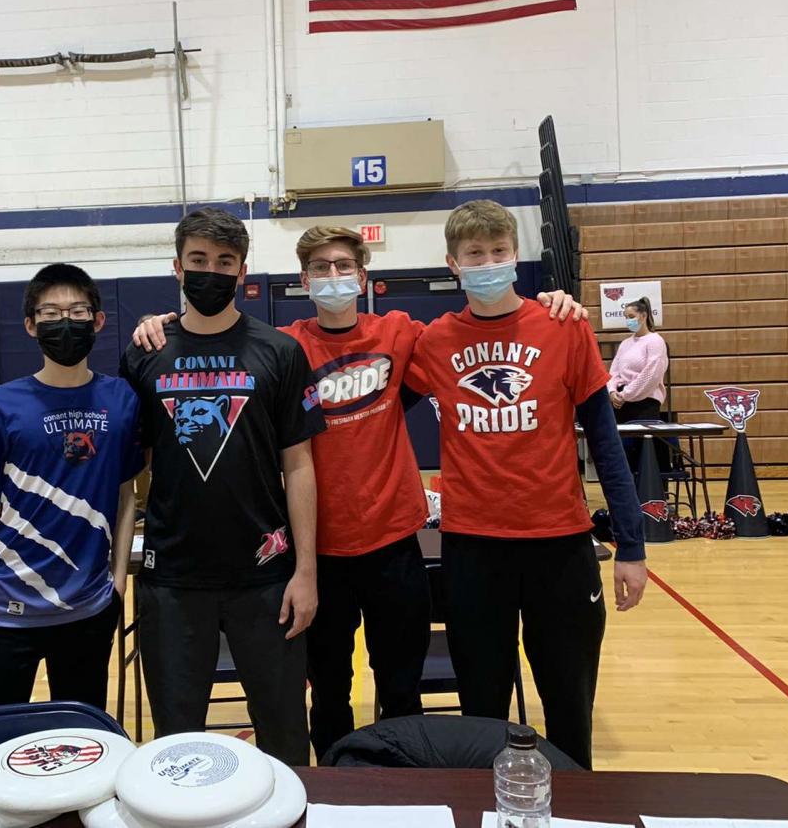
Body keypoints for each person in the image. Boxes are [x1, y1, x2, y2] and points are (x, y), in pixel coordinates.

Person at [131, 225, 586, 760]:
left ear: (363, 276)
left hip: (394, 544)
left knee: (401, 689)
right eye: (320, 268)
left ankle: (405, 785)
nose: (334, 276)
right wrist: (158, 323)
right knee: (328, 694)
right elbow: (222, 347)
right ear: (304, 280)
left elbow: (477, 328)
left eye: (344, 266)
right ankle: (334, 783)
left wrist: (550, 303)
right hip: (320, 553)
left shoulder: (400, 332)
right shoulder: (284, 347)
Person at [404, 200, 647, 770]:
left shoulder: (564, 326)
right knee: (481, 711)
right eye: (474, 254)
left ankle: (576, 806)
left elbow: (605, 442)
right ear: (453, 264)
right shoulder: (435, 342)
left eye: (499, 251)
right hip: (473, 548)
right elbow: (374, 410)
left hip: (559, 545)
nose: (488, 262)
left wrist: (631, 546)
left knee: (569, 709)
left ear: (516, 255)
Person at [119, 207, 325, 766]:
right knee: (176, 740)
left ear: (242, 271)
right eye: (199, 260)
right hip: (173, 578)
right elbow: (129, 468)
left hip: (266, 574)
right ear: (177, 267)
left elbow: (300, 466)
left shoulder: (279, 351)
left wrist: (306, 572)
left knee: (285, 735)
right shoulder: (144, 352)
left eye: (224, 261)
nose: (211, 271)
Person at [0, 263, 143, 710]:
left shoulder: (122, 400)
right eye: (51, 313)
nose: (65, 322)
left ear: (98, 321)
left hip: (89, 609)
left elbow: (125, 498)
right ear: (30, 325)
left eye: (77, 312)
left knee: (79, 740)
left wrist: (117, 585)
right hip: (6, 610)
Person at [609, 297, 669, 422]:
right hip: (620, 402)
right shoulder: (625, 343)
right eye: (626, 317)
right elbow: (614, 372)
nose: (628, 321)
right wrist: (612, 391)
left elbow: (651, 374)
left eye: (631, 316)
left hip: (645, 402)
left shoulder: (655, 341)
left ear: (643, 316)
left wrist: (625, 394)